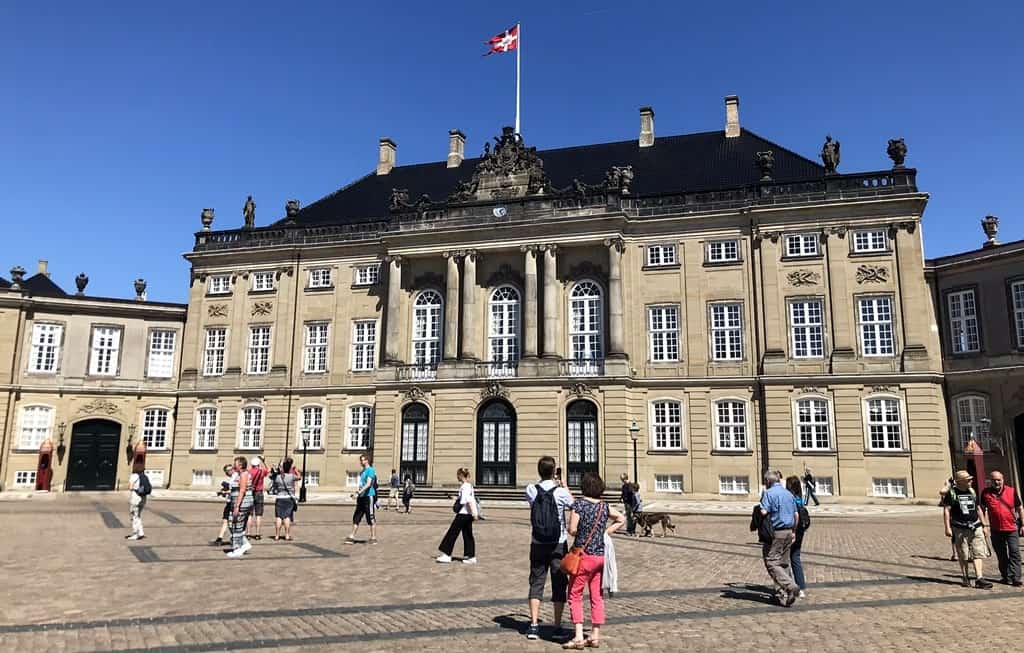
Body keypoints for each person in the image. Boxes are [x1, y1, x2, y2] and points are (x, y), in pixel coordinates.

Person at [563, 472, 625, 649]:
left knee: (574, 594)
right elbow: (621, 518)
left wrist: (579, 533)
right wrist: (606, 531)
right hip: (600, 557)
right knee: (597, 596)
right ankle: (595, 635)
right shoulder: (604, 507)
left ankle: (578, 636)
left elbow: (572, 529)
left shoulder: (579, 505)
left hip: (583, 557)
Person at [525, 456, 575, 640]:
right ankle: (557, 625)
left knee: (536, 582)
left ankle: (533, 625)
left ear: (539, 471)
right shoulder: (560, 492)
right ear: (554, 472)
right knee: (559, 584)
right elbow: (574, 505)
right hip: (558, 544)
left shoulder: (531, 489)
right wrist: (563, 485)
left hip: (537, 543)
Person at [943, 470, 992, 588]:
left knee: (978, 552)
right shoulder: (952, 493)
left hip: (975, 526)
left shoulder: (972, 491)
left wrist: (984, 525)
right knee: (963, 553)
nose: (971, 481)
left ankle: (979, 578)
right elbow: (946, 510)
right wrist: (947, 528)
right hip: (960, 528)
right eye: (968, 479)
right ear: (961, 481)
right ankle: (965, 577)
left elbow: (978, 509)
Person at [759, 471, 801, 606]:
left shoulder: (769, 493)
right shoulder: (789, 494)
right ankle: (782, 594)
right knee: (783, 563)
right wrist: (794, 531)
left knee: (771, 562)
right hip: (789, 531)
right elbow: (796, 515)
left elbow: (763, 512)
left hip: (775, 533)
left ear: (768, 482)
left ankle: (790, 586)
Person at [979, 470, 1023, 586]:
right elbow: (981, 509)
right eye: (994, 480)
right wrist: (984, 525)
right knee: (1001, 554)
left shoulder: (1011, 491)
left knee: (1014, 552)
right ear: (990, 481)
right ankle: (1006, 576)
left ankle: (1016, 577)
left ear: (1003, 480)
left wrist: (1023, 524)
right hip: (996, 529)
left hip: (1011, 528)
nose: (997, 482)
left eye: (999, 480)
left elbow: (1020, 508)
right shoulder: (986, 493)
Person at [437, 468, 479, 564]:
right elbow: (464, 499)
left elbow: (467, 500)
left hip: (463, 514)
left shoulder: (464, 486)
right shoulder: (469, 486)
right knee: (468, 534)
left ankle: (447, 554)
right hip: (468, 514)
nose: (457, 477)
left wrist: (474, 513)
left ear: (461, 475)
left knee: (452, 533)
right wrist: (452, 497)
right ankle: (470, 556)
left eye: (458, 475)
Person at [346, 454, 378, 545]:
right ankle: (352, 536)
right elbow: (362, 485)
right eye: (360, 460)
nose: (361, 462)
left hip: (368, 497)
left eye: (363, 460)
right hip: (361, 497)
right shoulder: (362, 471)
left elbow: (368, 484)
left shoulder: (370, 470)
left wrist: (358, 493)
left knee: (370, 517)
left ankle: (373, 537)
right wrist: (356, 493)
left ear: (367, 460)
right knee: (357, 516)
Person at [226, 456, 254, 558]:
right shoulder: (238, 474)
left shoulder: (244, 474)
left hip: (243, 503)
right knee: (231, 523)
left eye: (235, 463)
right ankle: (244, 544)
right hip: (238, 502)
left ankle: (237, 548)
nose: (234, 465)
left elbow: (242, 490)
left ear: (240, 465)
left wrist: (237, 506)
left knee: (237, 524)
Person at [786, 475, 809, 597]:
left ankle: (790, 586)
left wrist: (792, 531)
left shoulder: (790, 499)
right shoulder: (800, 498)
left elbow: (794, 516)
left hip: (793, 529)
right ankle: (800, 587)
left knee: (784, 559)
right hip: (800, 530)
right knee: (795, 557)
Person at [271, 458, 301, 542]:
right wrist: (296, 470)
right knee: (287, 517)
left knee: (278, 517)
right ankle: (287, 535)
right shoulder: (291, 476)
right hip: (288, 498)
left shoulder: (278, 477)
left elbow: (272, 478)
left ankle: (277, 535)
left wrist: (278, 469)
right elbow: (299, 477)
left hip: (279, 498)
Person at [246, 457, 269, 541]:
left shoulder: (248, 471)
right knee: (258, 515)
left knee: (249, 514)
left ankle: (248, 533)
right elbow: (269, 470)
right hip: (259, 493)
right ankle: (257, 534)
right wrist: (264, 462)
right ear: (258, 464)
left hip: (250, 493)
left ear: (251, 464)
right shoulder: (261, 471)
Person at [211, 464, 234, 546]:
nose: (229, 472)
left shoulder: (236, 478)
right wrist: (223, 491)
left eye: (230, 469)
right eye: (227, 471)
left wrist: (224, 492)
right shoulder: (230, 479)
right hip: (229, 501)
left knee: (232, 522)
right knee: (225, 520)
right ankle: (219, 538)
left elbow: (235, 490)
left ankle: (236, 538)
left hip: (234, 502)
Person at [125, 462, 148, 541]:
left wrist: (134, 488)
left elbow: (130, 487)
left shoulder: (134, 476)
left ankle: (135, 534)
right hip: (143, 498)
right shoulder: (144, 476)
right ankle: (141, 533)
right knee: (138, 515)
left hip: (135, 499)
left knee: (134, 516)